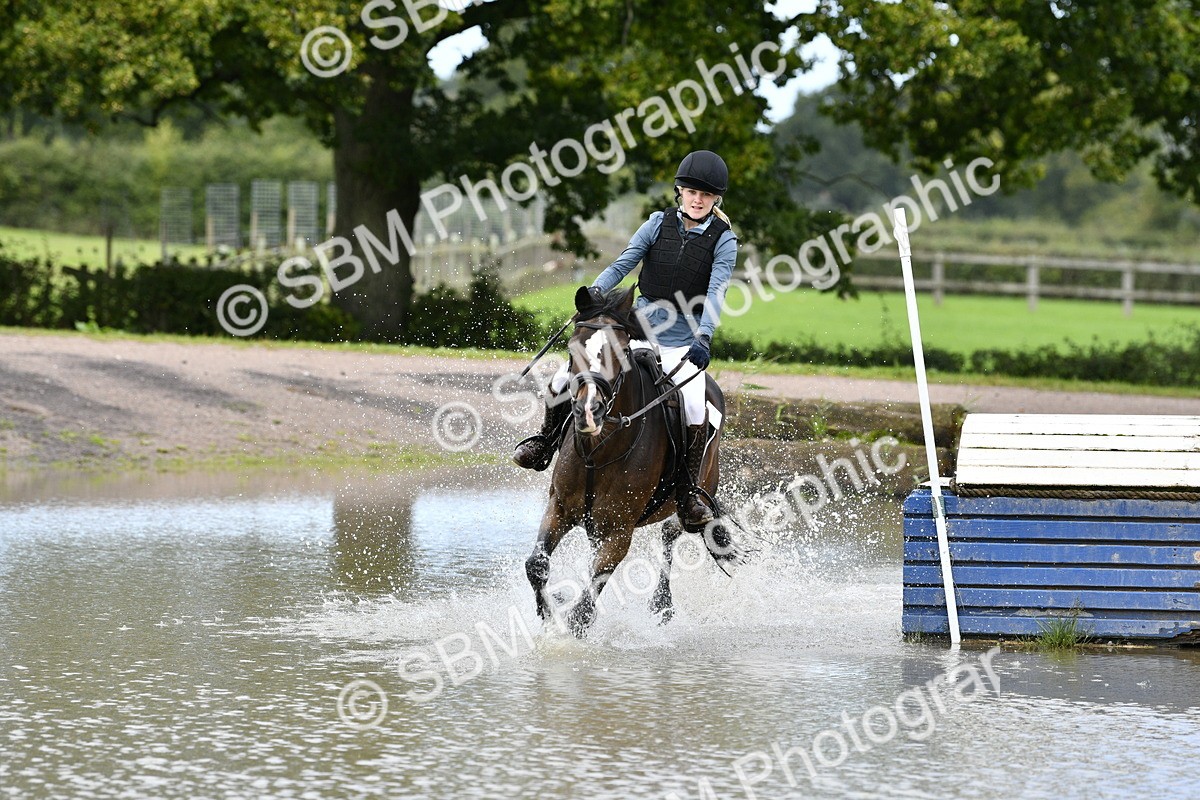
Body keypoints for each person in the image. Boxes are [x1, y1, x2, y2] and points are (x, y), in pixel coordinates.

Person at [513, 150, 738, 529]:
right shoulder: (656, 223)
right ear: (679, 192)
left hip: (683, 340)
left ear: (716, 199)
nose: (698, 200)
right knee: (563, 379)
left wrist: (705, 336)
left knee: (698, 409)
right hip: (638, 327)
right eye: (691, 192)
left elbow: (716, 291)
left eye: (706, 195)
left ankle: (689, 493)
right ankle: (545, 443)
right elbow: (623, 264)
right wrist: (593, 299)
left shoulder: (724, 240)